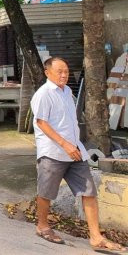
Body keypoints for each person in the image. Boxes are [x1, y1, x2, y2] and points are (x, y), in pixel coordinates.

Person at [31, 56, 125, 252]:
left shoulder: (66, 92)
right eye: (60, 72)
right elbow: (41, 123)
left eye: (66, 71)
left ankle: (96, 237)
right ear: (47, 73)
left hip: (74, 152)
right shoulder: (44, 94)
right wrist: (65, 144)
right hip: (53, 153)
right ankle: (42, 226)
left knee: (88, 191)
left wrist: (73, 145)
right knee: (46, 193)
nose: (64, 75)